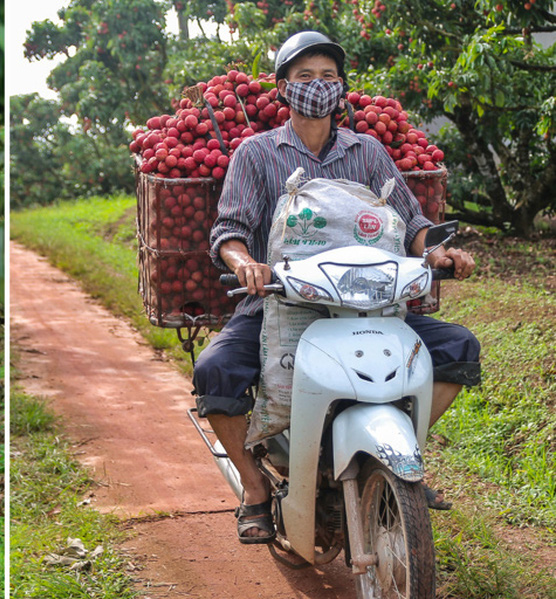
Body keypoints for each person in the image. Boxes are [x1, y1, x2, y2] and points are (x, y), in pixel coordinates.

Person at [192, 31, 482, 544]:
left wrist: (435, 253)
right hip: (280, 303)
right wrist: (245, 264)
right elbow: (228, 231)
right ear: (284, 89)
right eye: (305, 77)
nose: (317, 86)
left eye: (328, 77)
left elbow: (410, 219)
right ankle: (256, 489)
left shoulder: (367, 153)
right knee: (215, 372)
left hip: (366, 305)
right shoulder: (256, 154)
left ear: (341, 87)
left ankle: (400, 461)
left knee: (459, 348)